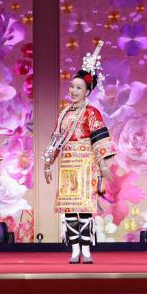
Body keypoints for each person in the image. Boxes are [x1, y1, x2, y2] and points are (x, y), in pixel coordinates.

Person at [43, 42, 116, 265]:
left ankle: (85, 248)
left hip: (85, 167)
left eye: (78, 88)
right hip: (68, 167)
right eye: (72, 87)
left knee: (84, 210)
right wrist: (48, 163)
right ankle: (75, 249)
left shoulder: (91, 113)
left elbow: (99, 140)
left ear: (87, 92)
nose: (73, 91)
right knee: (69, 209)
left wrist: (103, 166)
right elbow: (56, 141)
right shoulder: (64, 114)